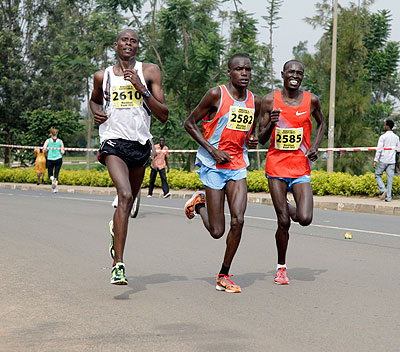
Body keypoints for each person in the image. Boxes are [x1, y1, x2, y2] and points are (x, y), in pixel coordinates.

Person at [89, 29, 168, 285]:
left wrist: (141, 88)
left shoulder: (149, 72)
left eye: (133, 41)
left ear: (137, 47)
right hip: (113, 142)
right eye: (124, 40)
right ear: (116, 45)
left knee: (131, 200)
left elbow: (163, 114)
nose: (129, 44)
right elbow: (94, 101)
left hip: (140, 144)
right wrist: (96, 112)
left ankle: (116, 229)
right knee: (123, 195)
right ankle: (118, 265)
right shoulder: (103, 76)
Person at [184, 53, 260, 293]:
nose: (245, 73)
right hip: (212, 165)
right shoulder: (216, 94)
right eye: (239, 69)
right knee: (217, 231)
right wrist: (212, 150)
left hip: (237, 165)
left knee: (238, 220)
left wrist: (253, 139)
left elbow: (247, 132)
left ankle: (224, 274)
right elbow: (189, 123)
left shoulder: (254, 100)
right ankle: (199, 205)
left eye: (248, 69)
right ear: (229, 72)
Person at [258, 60, 325, 285]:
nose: (295, 75)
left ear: (302, 77)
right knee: (283, 222)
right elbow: (260, 139)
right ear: (283, 74)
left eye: (299, 73)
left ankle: (283, 205)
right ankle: (281, 268)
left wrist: (315, 146)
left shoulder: (311, 100)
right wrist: (271, 124)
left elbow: (321, 123)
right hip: (276, 166)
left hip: (300, 167)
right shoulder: (269, 100)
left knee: (305, 218)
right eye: (291, 72)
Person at [373, 119, 400, 202]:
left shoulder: (383, 137)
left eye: (385, 125)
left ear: (387, 126)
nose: (384, 126)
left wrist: (375, 160)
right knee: (390, 179)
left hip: (383, 159)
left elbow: (379, 149)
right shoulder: (396, 137)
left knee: (377, 175)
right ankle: (388, 198)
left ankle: (383, 190)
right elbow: (398, 150)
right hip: (392, 161)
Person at [43, 127, 65, 193]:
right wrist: (60, 152)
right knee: (56, 174)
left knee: (50, 174)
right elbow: (63, 151)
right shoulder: (60, 141)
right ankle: (54, 189)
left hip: (50, 158)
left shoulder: (48, 141)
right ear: (57, 134)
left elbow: (44, 149)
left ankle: (52, 179)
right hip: (58, 159)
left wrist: (47, 152)